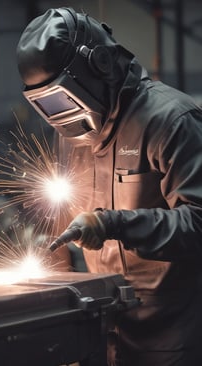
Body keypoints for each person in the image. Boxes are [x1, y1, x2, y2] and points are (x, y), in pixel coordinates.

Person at [16, 7, 202, 366]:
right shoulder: (71, 136)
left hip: (170, 338)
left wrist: (112, 224)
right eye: (46, 104)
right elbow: (60, 217)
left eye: (62, 97)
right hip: (104, 333)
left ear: (99, 65)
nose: (61, 115)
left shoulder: (171, 120)